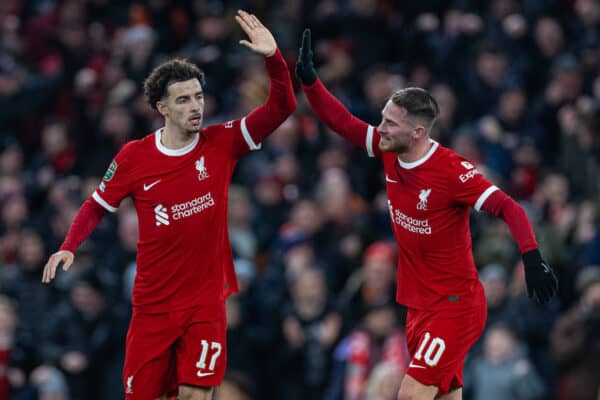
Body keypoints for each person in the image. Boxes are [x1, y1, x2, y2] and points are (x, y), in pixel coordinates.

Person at [41, 10, 296, 400]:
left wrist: (273, 59)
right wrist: (68, 246)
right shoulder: (134, 157)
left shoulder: (222, 142)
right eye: (183, 100)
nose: (196, 106)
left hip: (205, 304)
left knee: (197, 394)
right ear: (162, 107)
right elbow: (96, 204)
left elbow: (282, 108)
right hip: (154, 307)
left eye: (199, 96)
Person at [295, 29, 558, 400]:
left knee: (411, 395)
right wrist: (311, 83)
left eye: (390, 123)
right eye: (383, 119)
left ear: (417, 131)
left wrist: (531, 257)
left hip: (455, 306)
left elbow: (508, 206)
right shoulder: (388, 148)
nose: (381, 128)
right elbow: (342, 122)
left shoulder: (451, 171)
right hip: (418, 306)